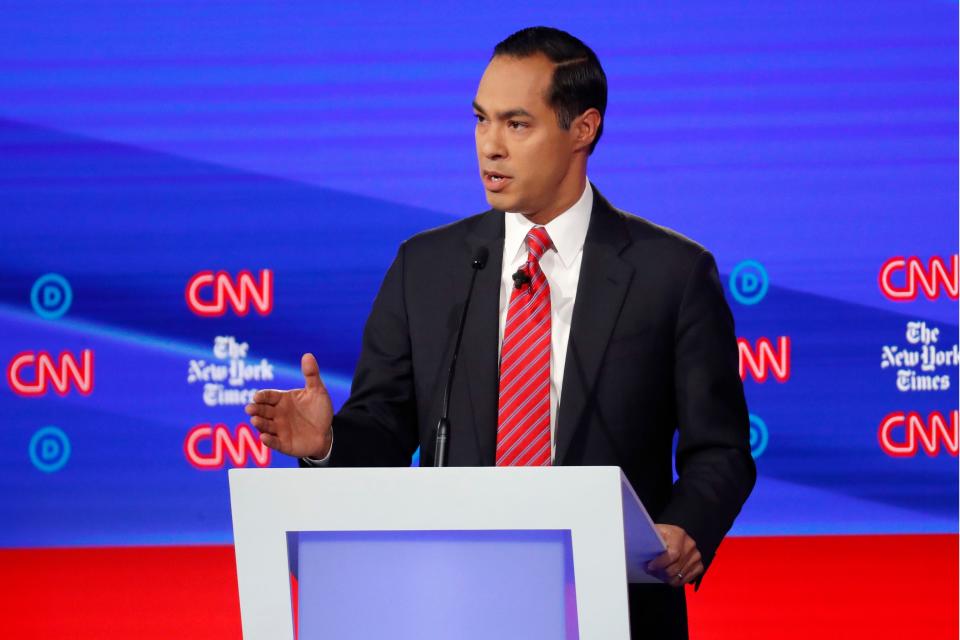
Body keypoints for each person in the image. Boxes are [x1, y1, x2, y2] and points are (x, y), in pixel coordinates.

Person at [245, 26, 755, 639]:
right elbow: (385, 425)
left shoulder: (669, 273)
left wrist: (687, 527)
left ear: (582, 130)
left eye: (517, 125)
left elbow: (720, 449)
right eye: (481, 121)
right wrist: (328, 445)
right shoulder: (426, 268)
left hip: (615, 605)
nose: (490, 147)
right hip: (452, 601)